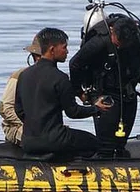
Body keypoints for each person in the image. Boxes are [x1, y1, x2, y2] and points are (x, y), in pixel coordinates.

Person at [69, 15, 140, 155]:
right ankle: (105, 162)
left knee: (120, 142)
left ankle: (120, 158)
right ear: (112, 31)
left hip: (128, 93)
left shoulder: (138, 39)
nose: (120, 46)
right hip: (104, 93)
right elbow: (75, 64)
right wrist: (79, 92)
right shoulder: (98, 43)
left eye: (123, 44)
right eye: (117, 43)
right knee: (106, 143)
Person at [15, 27, 111, 157]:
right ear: (52, 50)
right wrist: (96, 109)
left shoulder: (24, 75)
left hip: (28, 141)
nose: (67, 51)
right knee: (95, 142)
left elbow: (19, 110)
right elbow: (73, 112)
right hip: (55, 140)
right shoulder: (60, 78)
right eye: (64, 47)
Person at [0, 34, 41, 146]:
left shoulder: (55, 77)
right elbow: (5, 108)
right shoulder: (19, 76)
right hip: (17, 127)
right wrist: (29, 124)